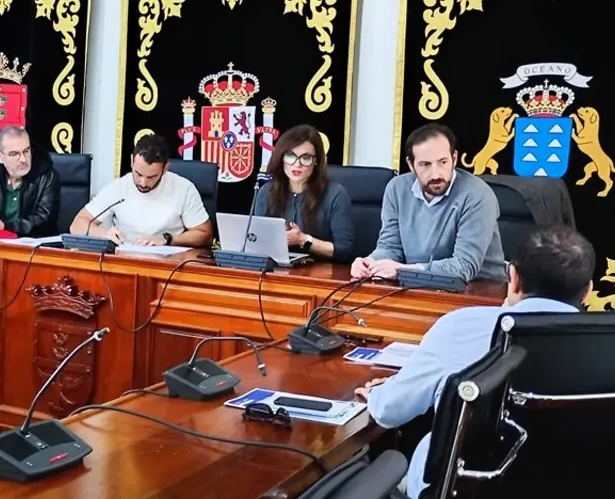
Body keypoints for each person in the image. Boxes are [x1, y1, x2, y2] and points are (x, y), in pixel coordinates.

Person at [356, 224, 595, 498]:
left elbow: (390, 411)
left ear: (514, 277)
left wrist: (379, 394)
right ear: (587, 291)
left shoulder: (461, 326)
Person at [354, 122, 505, 282]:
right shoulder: (397, 189)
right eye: (425, 165)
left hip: (480, 288)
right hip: (415, 284)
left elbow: (464, 267)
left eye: (443, 162)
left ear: (454, 158)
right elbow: (390, 247)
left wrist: (404, 271)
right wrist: (369, 263)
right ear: (411, 164)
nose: (435, 174)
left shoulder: (478, 195)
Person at [70, 134, 212, 248]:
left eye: (151, 177)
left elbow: (204, 234)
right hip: (125, 259)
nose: (143, 183)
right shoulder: (119, 188)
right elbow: (77, 224)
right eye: (138, 174)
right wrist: (103, 234)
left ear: (165, 169)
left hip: (169, 262)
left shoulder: (183, 189)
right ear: (132, 161)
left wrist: (167, 239)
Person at [253, 124, 353, 260]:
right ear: (281, 158)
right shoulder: (267, 192)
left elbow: (344, 250)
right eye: (290, 156)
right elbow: (256, 240)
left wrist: (303, 240)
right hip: (275, 268)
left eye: (305, 158)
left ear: (316, 161)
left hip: (320, 270)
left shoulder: (335, 194)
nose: (297, 164)